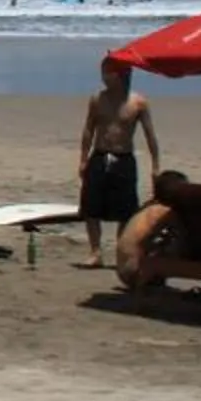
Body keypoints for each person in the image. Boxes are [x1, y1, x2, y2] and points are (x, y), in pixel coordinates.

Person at [76, 57, 159, 269]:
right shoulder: (97, 99)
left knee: (125, 209)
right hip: (100, 155)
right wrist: (83, 159)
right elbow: (88, 130)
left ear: (121, 75)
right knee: (91, 207)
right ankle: (95, 252)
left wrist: (156, 165)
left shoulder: (138, 102)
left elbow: (150, 135)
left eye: (108, 72)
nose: (104, 77)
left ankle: (121, 252)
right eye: (103, 72)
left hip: (123, 158)